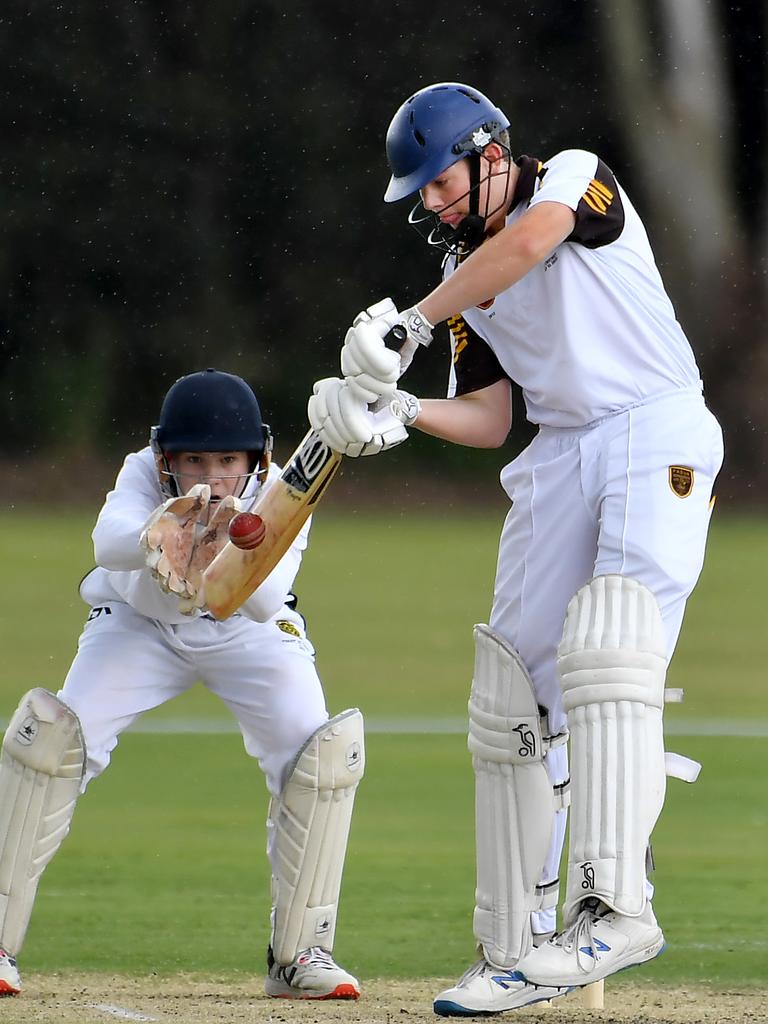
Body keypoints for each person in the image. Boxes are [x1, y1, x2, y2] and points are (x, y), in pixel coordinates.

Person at [307, 82, 724, 1015]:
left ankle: (616, 908)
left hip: (653, 425)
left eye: (439, 182)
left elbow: (533, 241)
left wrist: (408, 324)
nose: (430, 203)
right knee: (510, 694)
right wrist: (403, 410)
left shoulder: (573, 178)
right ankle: (513, 947)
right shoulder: (467, 279)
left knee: (610, 646)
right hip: (562, 449)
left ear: (491, 151)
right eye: (420, 193)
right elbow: (494, 418)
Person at [0, 368, 363, 1001]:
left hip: (249, 634)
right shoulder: (141, 470)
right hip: (138, 624)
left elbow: (265, 598)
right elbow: (105, 541)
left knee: (318, 758)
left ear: (256, 458)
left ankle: (301, 954)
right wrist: (157, 533)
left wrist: (242, 541)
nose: (211, 475)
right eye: (193, 458)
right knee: (51, 747)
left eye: (228, 459)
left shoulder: (282, 491)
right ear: (166, 456)